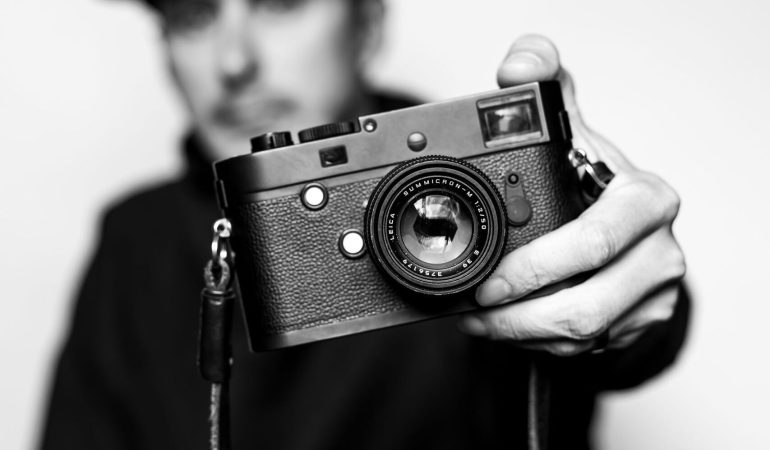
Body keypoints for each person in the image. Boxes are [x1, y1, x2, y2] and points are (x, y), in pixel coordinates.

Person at [39, 0, 690, 449]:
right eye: (191, 16)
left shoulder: (486, 177)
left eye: (282, 5)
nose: (233, 62)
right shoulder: (135, 238)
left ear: (367, 25)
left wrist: (624, 281)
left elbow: (621, 321)